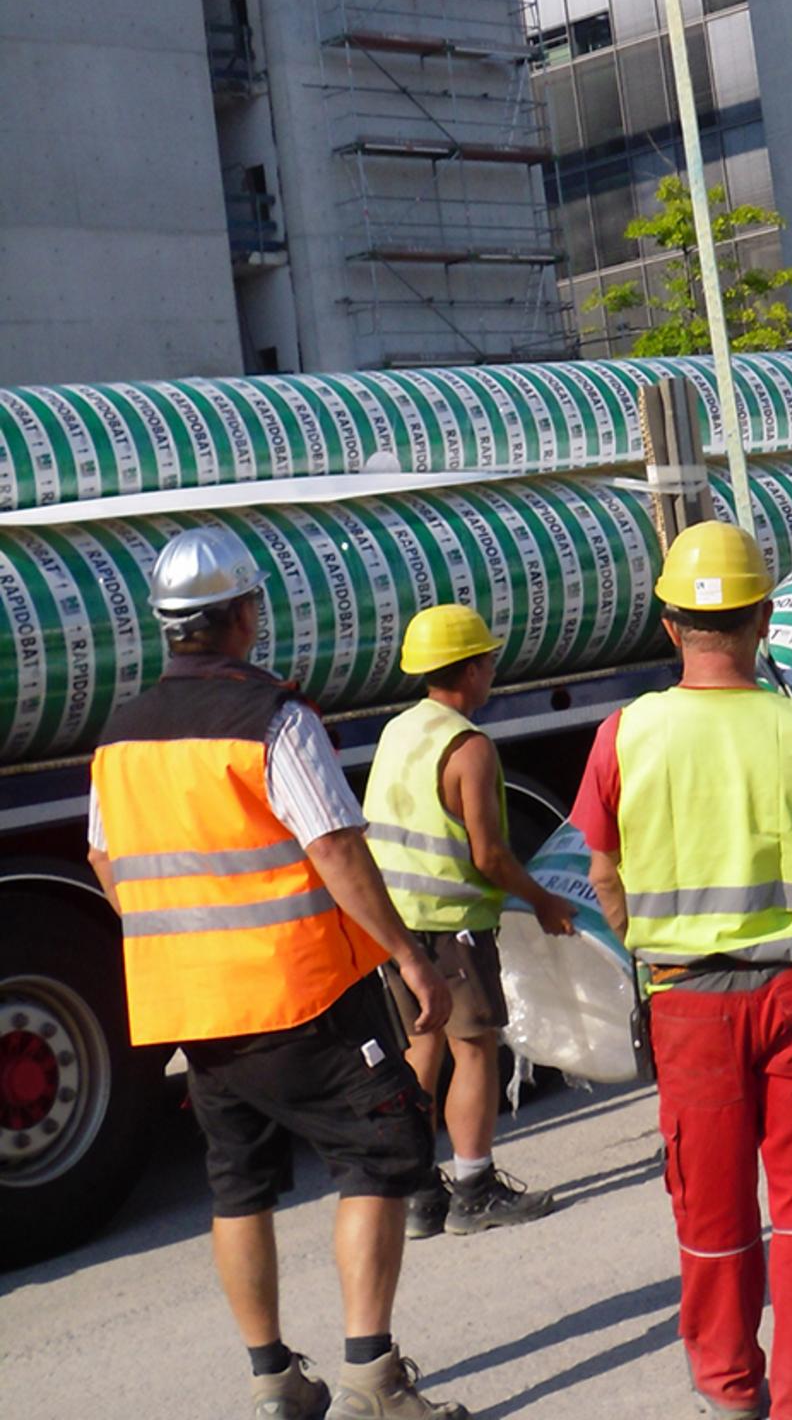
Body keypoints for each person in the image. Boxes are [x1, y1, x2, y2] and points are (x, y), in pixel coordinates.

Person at [86, 525, 469, 1420]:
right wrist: (411, 957)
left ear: (168, 627)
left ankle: (274, 1384)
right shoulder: (274, 720)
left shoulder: (121, 736)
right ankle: (373, 1380)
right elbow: (334, 847)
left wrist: (186, 940)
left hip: (194, 1008)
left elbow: (108, 861)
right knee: (378, 1155)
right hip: (302, 994)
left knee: (237, 1182)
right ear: (243, 617)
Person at [569, 521, 792, 1420]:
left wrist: (654, 948)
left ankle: (727, 1391)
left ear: (670, 627)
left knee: (709, 1212)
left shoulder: (624, 735)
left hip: (685, 1003)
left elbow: (602, 874)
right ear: (767, 620)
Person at [363, 603, 578, 1240]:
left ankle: (418, 1192)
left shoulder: (399, 730)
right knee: (474, 1049)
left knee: (420, 1050)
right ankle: (475, 1187)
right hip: (453, 921)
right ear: (475, 670)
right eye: (489, 662)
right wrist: (543, 900)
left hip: (397, 926)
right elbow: (488, 855)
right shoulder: (470, 748)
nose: (492, 673)